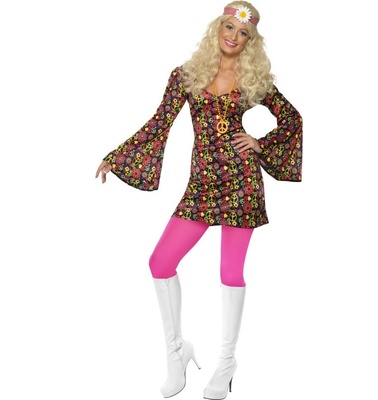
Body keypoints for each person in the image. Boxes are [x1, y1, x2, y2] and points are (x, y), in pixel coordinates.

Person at [95, 1, 302, 399]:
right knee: (160, 262)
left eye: (243, 33)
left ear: (250, 41)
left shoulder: (253, 79)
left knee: (230, 273)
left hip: (242, 184)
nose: (234, 36)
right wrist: (116, 156)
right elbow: (160, 123)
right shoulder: (187, 75)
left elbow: (293, 119)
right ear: (217, 28)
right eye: (229, 27)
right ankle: (177, 353)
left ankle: (226, 364)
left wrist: (259, 143)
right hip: (203, 184)